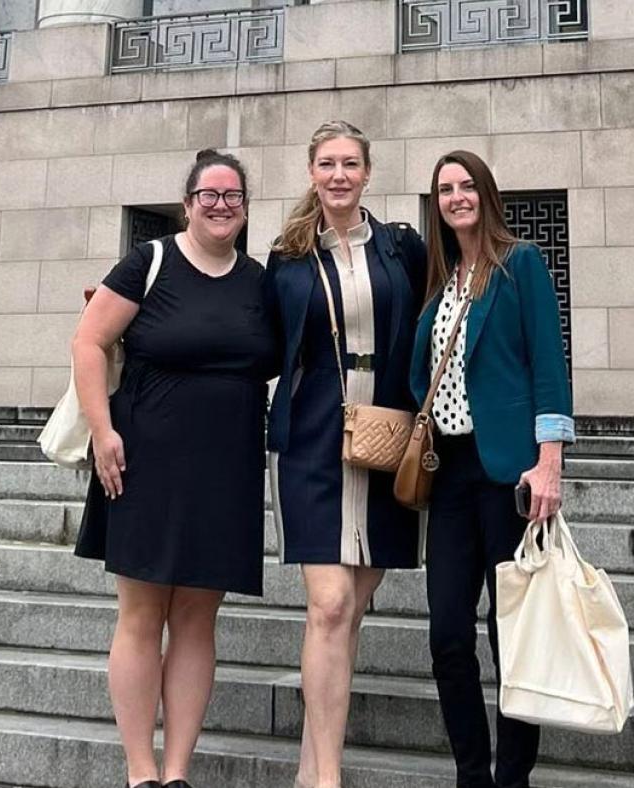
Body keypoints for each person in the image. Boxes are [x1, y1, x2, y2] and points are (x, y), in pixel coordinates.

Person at [72, 149, 275, 788]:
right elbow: (88, 340)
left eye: (233, 196)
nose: (221, 205)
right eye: (209, 195)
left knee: (196, 617)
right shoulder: (149, 262)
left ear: (245, 209)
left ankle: (178, 771)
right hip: (143, 459)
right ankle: (140, 772)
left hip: (227, 463)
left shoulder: (258, 281)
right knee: (141, 614)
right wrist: (102, 432)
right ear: (188, 203)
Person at [263, 120, 428, 788]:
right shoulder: (288, 256)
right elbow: (256, 341)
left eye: (350, 163)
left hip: (388, 437)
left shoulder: (401, 248)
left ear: (367, 173)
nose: (338, 174)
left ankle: (310, 766)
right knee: (329, 603)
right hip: (313, 438)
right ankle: (328, 777)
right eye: (327, 163)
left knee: (351, 610)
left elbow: (432, 317)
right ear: (311, 171)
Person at [411, 150, 574, 788]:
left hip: (509, 474)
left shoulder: (521, 265)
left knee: (512, 633)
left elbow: (547, 363)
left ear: (485, 193)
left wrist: (550, 461)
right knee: (448, 633)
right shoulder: (441, 283)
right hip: (448, 474)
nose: (457, 197)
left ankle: (513, 779)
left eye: (466, 185)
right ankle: (471, 774)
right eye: (445, 189)